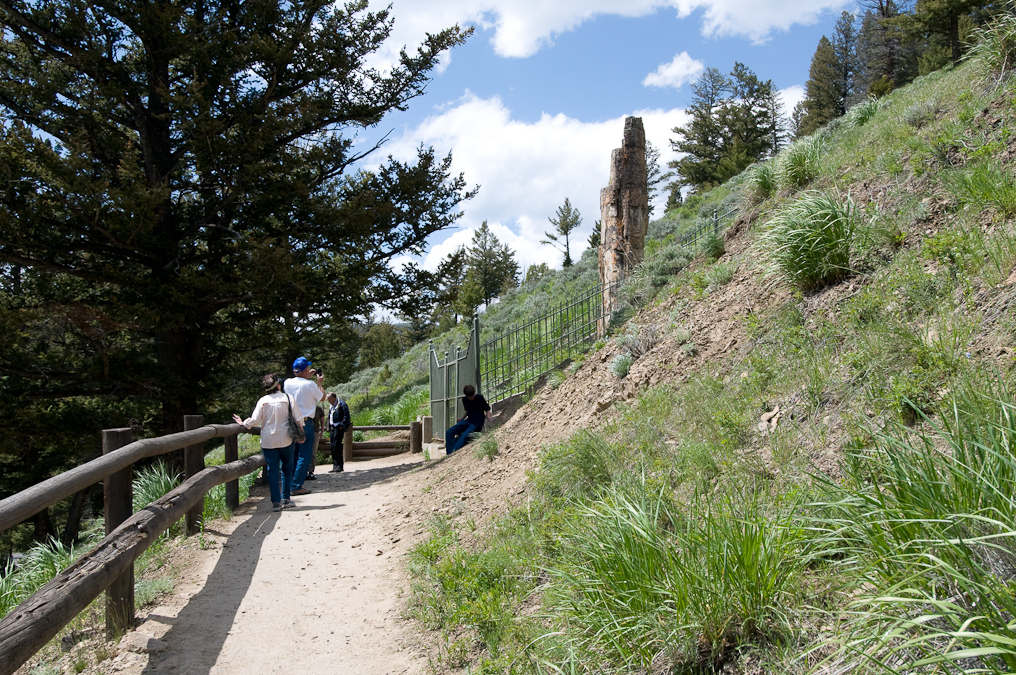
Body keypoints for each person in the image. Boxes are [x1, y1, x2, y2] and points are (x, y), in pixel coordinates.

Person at [232, 374, 298, 512]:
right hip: (286, 438)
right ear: (278, 385)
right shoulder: (288, 398)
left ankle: (276, 502)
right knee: (287, 468)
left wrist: (243, 422)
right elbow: (298, 418)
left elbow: (255, 421)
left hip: (269, 440)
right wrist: (301, 431)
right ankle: (286, 498)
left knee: (272, 471)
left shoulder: (263, 401)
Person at [285, 357, 325, 495]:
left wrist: (305, 376)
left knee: (293, 454)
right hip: (306, 421)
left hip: (291, 422)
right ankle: (296, 485)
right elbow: (322, 397)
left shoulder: (287, 383)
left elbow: (298, 384)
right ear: (306, 369)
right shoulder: (310, 385)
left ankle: (290, 483)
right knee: (304, 454)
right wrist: (319, 383)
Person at [444, 384, 492, 454]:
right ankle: (450, 453)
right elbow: (468, 411)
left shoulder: (479, 398)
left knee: (464, 436)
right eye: (469, 397)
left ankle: (453, 452)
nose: (471, 398)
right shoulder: (465, 400)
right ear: (466, 395)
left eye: (472, 396)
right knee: (449, 432)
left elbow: (487, 408)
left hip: (477, 423)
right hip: (468, 421)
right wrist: (462, 418)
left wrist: (488, 416)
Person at [326, 392, 351, 473]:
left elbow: (346, 416)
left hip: (338, 427)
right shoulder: (332, 406)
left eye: (328, 399)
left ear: (333, 398)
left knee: (337, 445)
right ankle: (335, 465)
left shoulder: (342, 404)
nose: (327, 400)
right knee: (333, 446)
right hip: (333, 427)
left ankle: (339, 466)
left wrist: (342, 425)